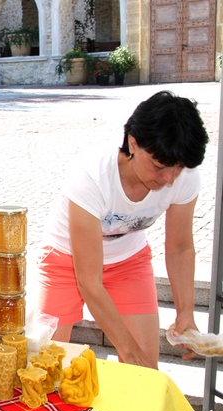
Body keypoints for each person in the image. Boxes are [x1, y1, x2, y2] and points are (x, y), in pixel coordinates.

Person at [36, 91, 209, 370]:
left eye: (177, 169)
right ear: (133, 143)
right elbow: (89, 282)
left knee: (144, 371)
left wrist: (185, 312)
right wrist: (127, 349)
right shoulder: (91, 176)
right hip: (64, 261)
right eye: (159, 166)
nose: (169, 179)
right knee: (46, 366)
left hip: (128, 262)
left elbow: (180, 248)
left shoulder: (183, 176)